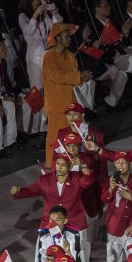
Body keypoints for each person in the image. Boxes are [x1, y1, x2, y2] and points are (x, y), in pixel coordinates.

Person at [42, 23, 89, 165]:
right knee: (55, 138)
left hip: (71, 103)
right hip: (57, 104)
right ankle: (51, 165)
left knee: (72, 136)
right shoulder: (49, 56)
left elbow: (74, 76)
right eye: (66, 36)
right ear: (57, 38)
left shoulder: (69, 56)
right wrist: (78, 76)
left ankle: (71, 162)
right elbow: (56, 76)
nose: (69, 39)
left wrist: (83, 77)